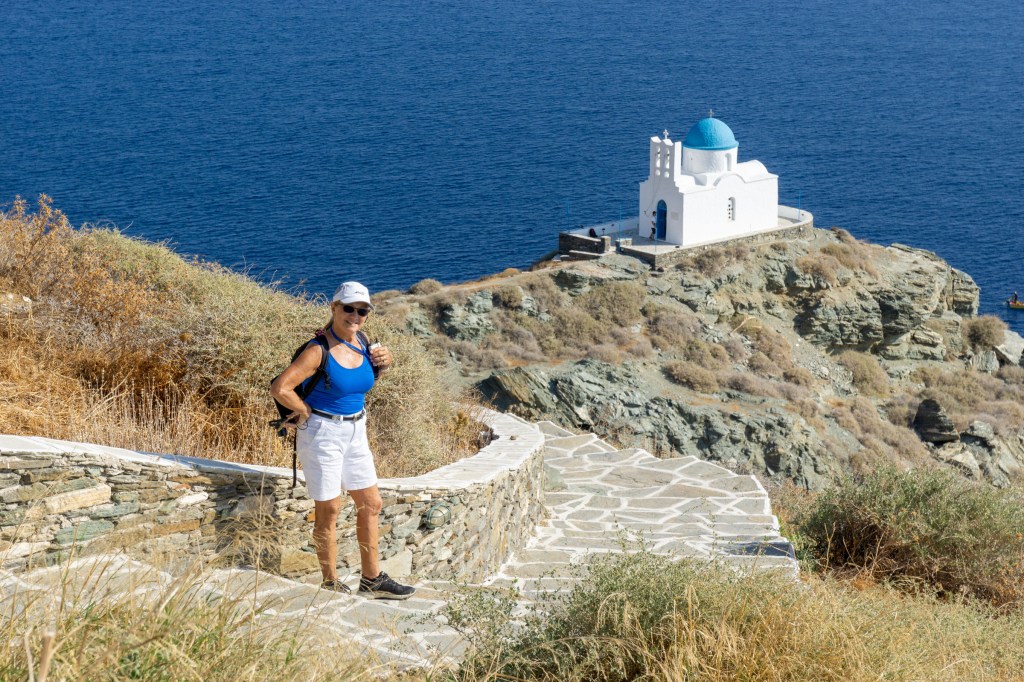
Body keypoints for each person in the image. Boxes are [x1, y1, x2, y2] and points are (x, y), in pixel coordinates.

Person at [270, 281, 415, 599]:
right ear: (334, 308)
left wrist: (383, 366)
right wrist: (303, 410)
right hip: (323, 434)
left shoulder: (362, 342)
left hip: (356, 431)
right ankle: (330, 581)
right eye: (348, 308)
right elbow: (281, 387)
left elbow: (356, 384)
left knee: (371, 503)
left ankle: (372, 579)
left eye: (362, 310)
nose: (355, 315)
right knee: (330, 510)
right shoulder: (317, 349)